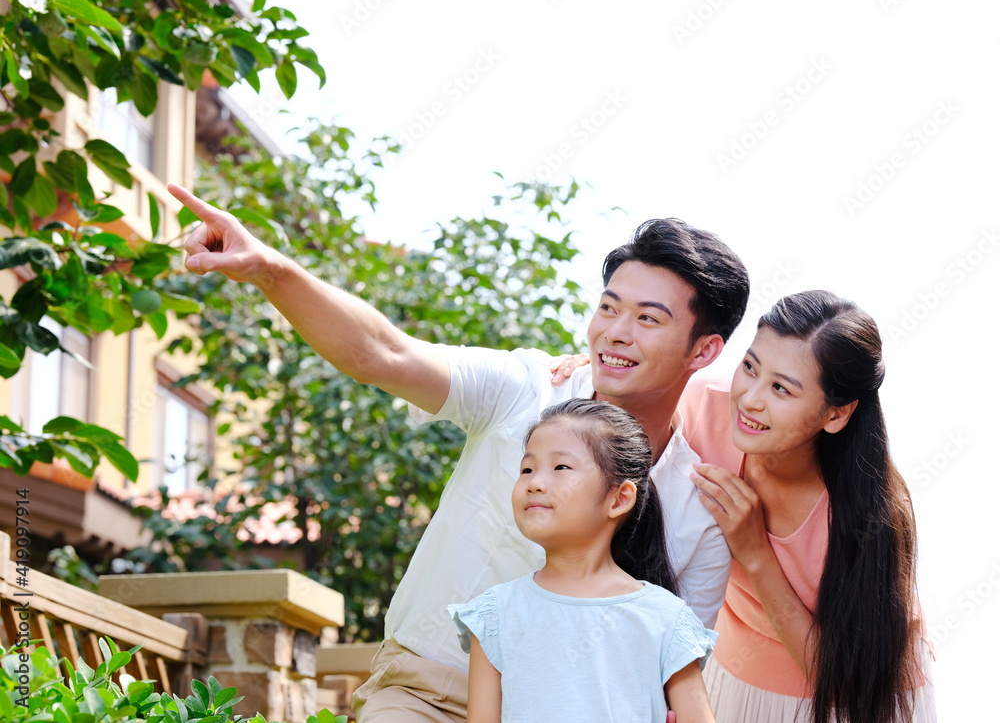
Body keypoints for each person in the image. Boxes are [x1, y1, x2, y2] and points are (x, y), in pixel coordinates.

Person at [167, 184, 750, 723]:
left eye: (648, 319)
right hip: (426, 691)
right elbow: (383, 353)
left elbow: (670, 673)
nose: (615, 332)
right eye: (608, 307)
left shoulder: (698, 508)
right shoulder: (526, 388)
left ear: (704, 350)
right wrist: (272, 270)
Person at [684, 291, 936, 723]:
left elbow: (843, 682)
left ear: (836, 415)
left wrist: (755, 552)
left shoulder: (870, 517)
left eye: (781, 388)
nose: (749, 399)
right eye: (750, 367)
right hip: (735, 669)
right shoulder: (703, 407)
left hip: (854, 699)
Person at [448, 398, 717, 723]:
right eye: (527, 469)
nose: (534, 483)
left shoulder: (666, 618)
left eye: (561, 467)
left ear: (619, 498)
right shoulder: (494, 616)